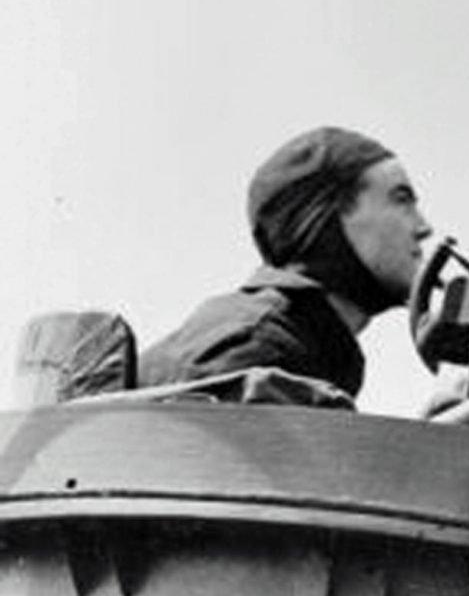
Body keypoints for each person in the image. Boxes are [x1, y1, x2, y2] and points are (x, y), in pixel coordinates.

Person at [136, 126, 432, 403]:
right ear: (325, 219)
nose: (423, 228)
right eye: (401, 199)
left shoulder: (292, 340)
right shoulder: (258, 349)